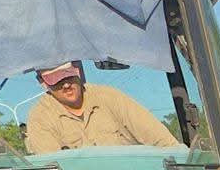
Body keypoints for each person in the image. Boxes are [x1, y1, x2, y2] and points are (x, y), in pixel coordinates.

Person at [24, 62, 180, 153]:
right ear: (42, 82)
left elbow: (164, 143)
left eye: (67, 75)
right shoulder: (40, 118)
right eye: (56, 80)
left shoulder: (109, 97)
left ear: (77, 69)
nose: (66, 84)